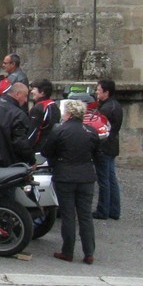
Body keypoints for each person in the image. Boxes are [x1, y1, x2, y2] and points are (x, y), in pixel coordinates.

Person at [41, 100, 99, 264]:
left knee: (68, 215)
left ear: (70, 114)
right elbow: (97, 153)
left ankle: (68, 251)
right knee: (85, 215)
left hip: (65, 175)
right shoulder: (91, 131)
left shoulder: (60, 130)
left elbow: (46, 151)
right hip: (86, 176)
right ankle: (89, 252)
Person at [93, 79, 123, 221]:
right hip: (111, 146)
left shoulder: (106, 109)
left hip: (104, 147)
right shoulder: (114, 105)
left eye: (99, 90)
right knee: (111, 179)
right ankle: (114, 210)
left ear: (106, 92)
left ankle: (103, 210)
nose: (97, 92)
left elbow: (98, 129)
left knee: (104, 180)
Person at [28, 79, 59, 152]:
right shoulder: (54, 105)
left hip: (39, 148)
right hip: (51, 147)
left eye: (34, 89)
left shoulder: (38, 108)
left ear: (42, 92)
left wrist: (26, 148)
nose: (32, 91)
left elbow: (34, 132)